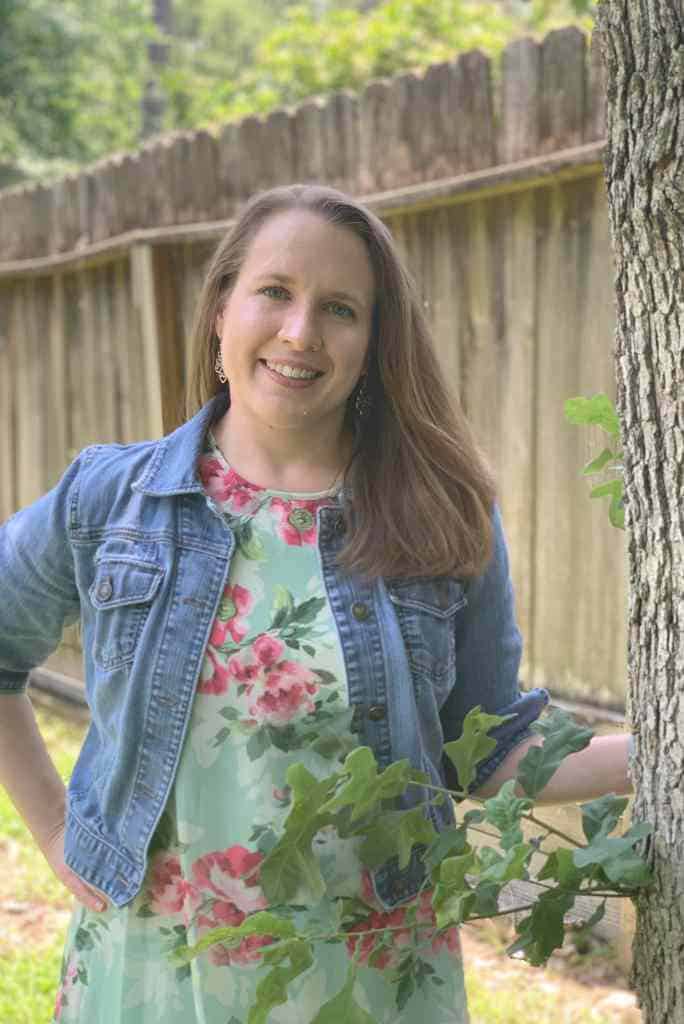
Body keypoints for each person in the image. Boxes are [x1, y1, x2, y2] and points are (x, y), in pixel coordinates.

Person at [0, 184, 632, 1023]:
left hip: (367, 974)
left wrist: (659, 749)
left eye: (340, 309)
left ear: (374, 343)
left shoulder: (441, 515)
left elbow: (489, 753)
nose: (301, 333)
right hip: (155, 964)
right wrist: (52, 830)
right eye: (275, 292)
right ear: (222, 307)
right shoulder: (110, 499)